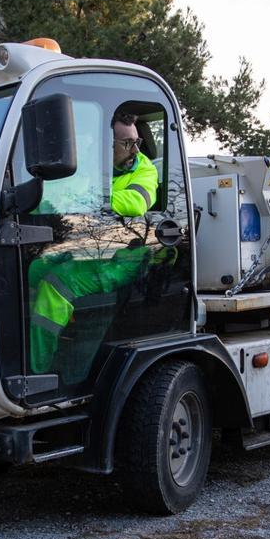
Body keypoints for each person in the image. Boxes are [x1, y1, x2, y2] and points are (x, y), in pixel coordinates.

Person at [29, 111, 162, 376]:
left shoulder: (145, 167)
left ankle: (37, 371)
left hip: (124, 256)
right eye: (127, 143)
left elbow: (136, 203)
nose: (135, 149)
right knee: (31, 270)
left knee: (56, 284)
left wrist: (87, 200)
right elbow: (57, 197)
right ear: (105, 145)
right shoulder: (88, 163)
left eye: (136, 142)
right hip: (88, 247)